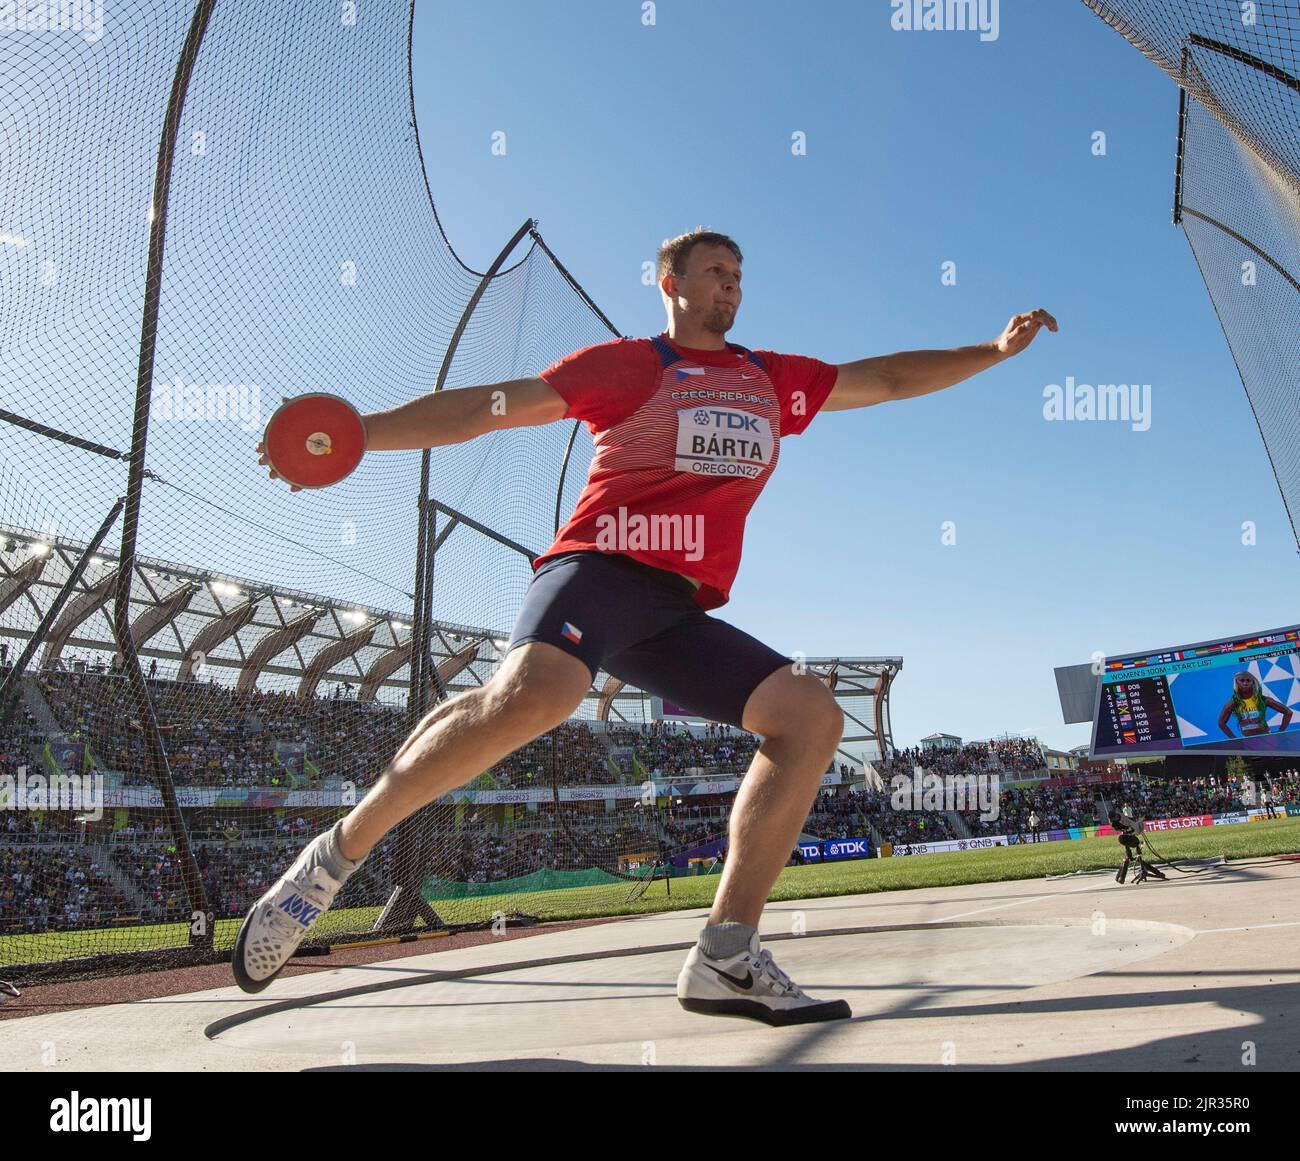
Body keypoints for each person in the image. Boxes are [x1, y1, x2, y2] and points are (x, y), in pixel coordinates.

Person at [237, 228, 1056, 1025]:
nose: (731, 284)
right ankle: (332, 859)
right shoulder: (630, 365)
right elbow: (491, 409)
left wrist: (989, 352)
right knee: (538, 694)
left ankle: (727, 954)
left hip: (676, 605)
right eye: (713, 271)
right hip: (596, 566)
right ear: (671, 284)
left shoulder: (772, 379)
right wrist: (362, 434)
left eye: (738, 272)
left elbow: (883, 379)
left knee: (810, 715)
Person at [1218, 671, 1292, 739]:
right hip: (1249, 742)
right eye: (1242, 680)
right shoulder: (1233, 703)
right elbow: (1221, 723)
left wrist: (1280, 732)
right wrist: (1235, 740)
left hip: (1267, 739)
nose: (1245, 683)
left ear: (1253, 682)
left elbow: (1288, 712)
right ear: (1237, 682)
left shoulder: (1263, 700)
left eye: (1248, 680)